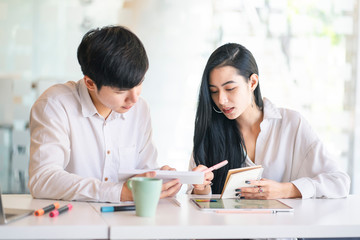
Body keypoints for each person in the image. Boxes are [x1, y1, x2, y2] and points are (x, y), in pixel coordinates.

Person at [28, 25, 181, 202]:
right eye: (120, 91)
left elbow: (143, 173)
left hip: (126, 220)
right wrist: (117, 192)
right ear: (90, 83)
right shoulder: (55, 105)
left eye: (138, 84)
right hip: (71, 222)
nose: (134, 98)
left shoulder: (140, 109)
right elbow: (43, 179)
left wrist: (161, 180)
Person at [189, 43, 350, 199]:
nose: (221, 100)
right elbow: (195, 203)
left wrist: (286, 190)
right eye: (214, 91)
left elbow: (339, 182)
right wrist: (201, 188)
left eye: (230, 89)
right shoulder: (209, 131)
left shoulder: (291, 124)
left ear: (252, 82)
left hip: (282, 226)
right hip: (225, 226)